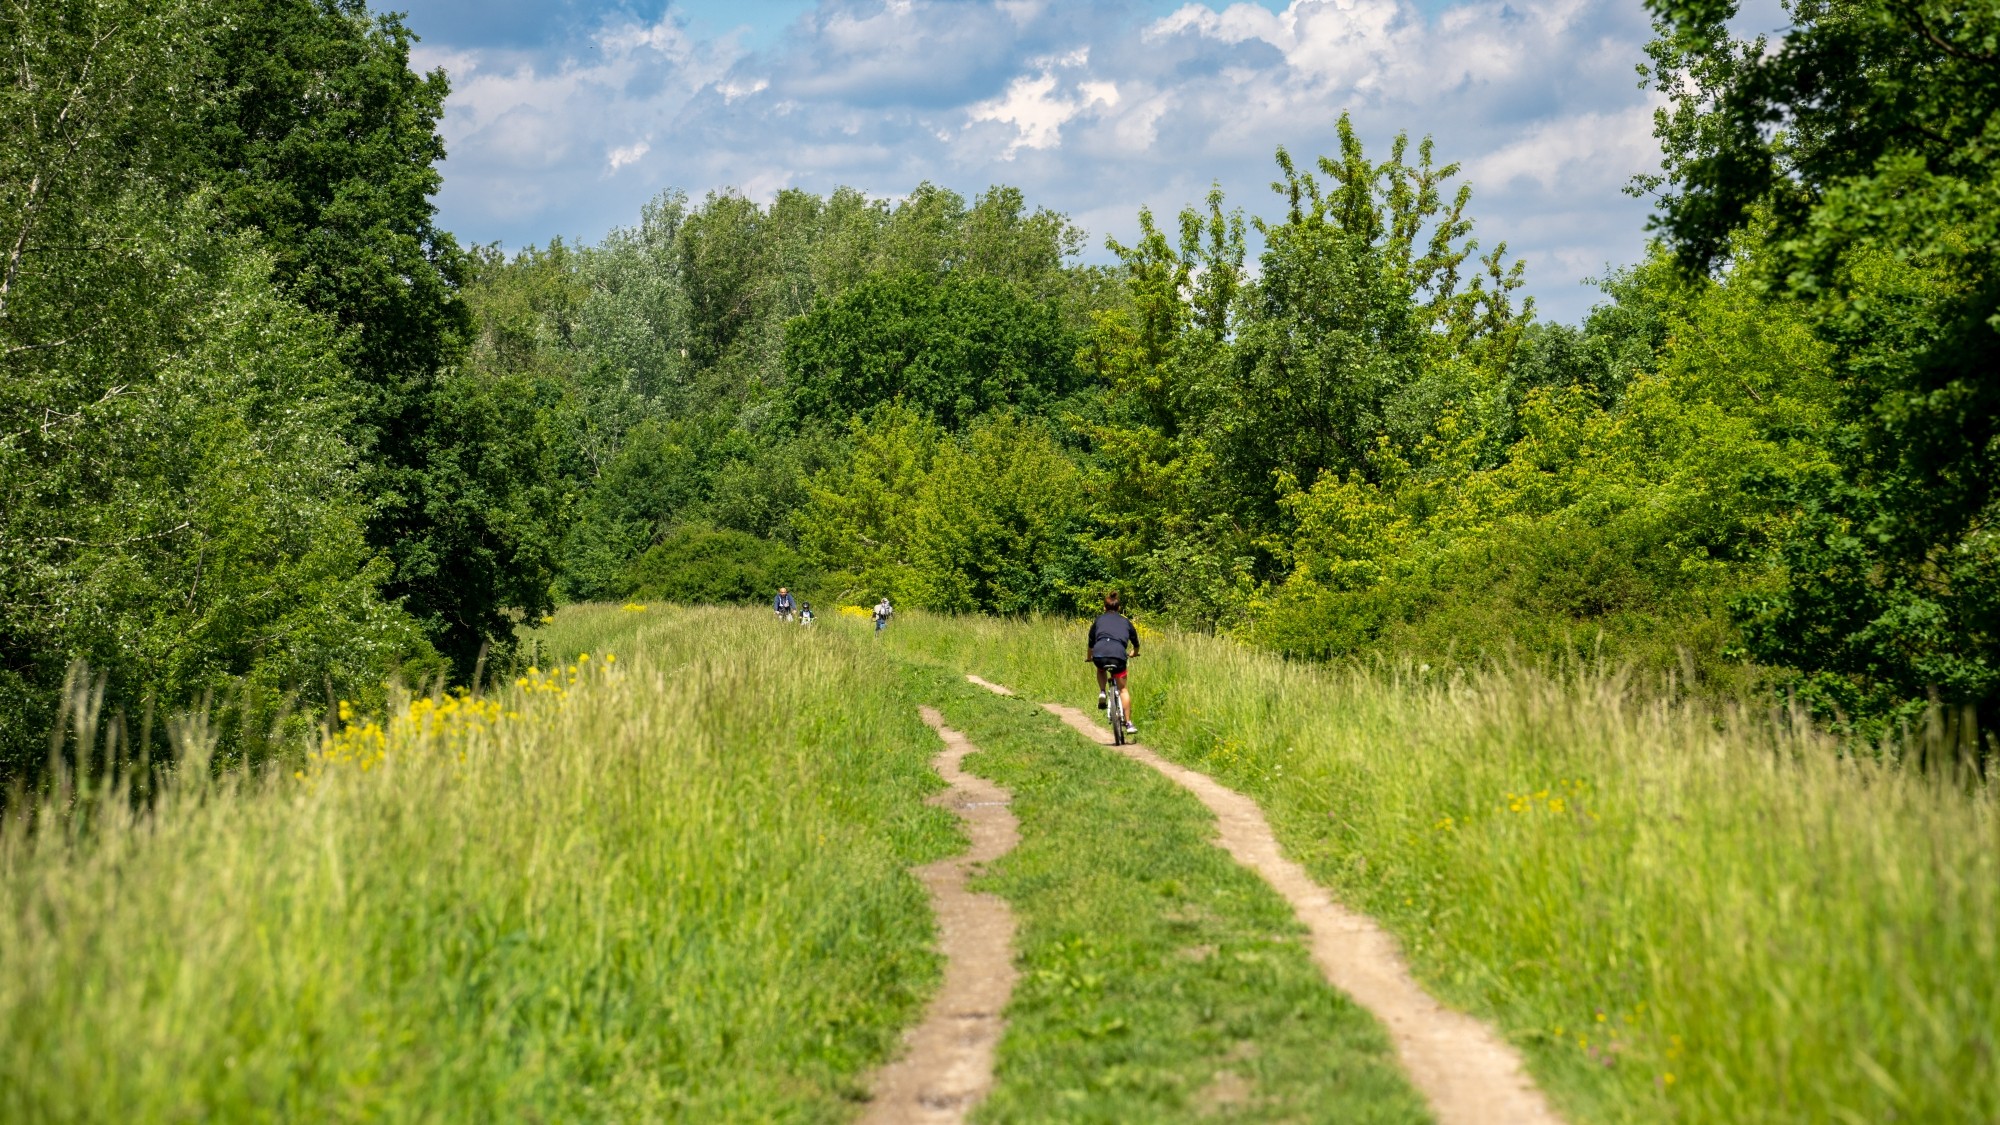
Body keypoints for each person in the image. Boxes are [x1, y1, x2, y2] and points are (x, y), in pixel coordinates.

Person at [1088, 591, 1140, 737]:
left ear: (1104, 608)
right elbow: (1135, 641)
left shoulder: (1098, 620)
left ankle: (1103, 691)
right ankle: (1129, 723)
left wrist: (1089, 657)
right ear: (1119, 608)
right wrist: (1134, 652)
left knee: (1100, 669)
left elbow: (1091, 642)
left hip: (1099, 653)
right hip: (1118, 655)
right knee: (1123, 690)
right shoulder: (1126, 621)